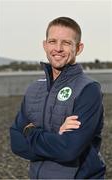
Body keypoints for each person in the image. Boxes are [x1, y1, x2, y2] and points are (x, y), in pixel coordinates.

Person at [10, 17, 106, 179]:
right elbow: (16, 144)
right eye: (53, 41)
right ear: (45, 45)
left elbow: (69, 150)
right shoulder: (34, 89)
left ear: (79, 48)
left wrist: (30, 131)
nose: (58, 48)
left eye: (66, 43)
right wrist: (57, 135)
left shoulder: (88, 90)